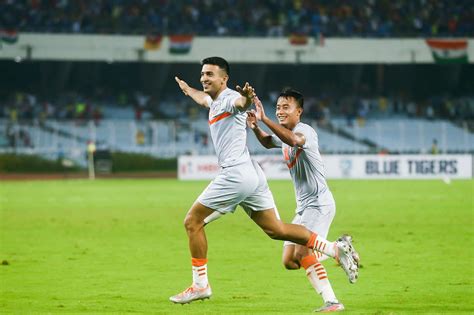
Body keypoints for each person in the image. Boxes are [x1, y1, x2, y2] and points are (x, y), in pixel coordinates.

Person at [170, 57, 358, 307]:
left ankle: (200, 285)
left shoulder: (229, 99)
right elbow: (205, 100)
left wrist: (249, 101)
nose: (204, 78)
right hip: (252, 174)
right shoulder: (214, 102)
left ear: (224, 79)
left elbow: (241, 104)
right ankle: (334, 250)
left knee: (192, 222)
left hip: (238, 175)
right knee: (278, 233)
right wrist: (187, 89)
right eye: (202, 74)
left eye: (210, 74)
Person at [246, 88, 360, 312]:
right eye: (277, 107)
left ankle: (332, 300)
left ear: (299, 111)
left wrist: (266, 118)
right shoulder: (284, 134)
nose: (280, 111)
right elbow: (269, 142)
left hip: (319, 203)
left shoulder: (303, 130)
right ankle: (337, 249)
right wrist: (256, 128)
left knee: (303, 253)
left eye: (285, 107)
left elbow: (293, 140)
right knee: (290, 261)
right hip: (304, 207)